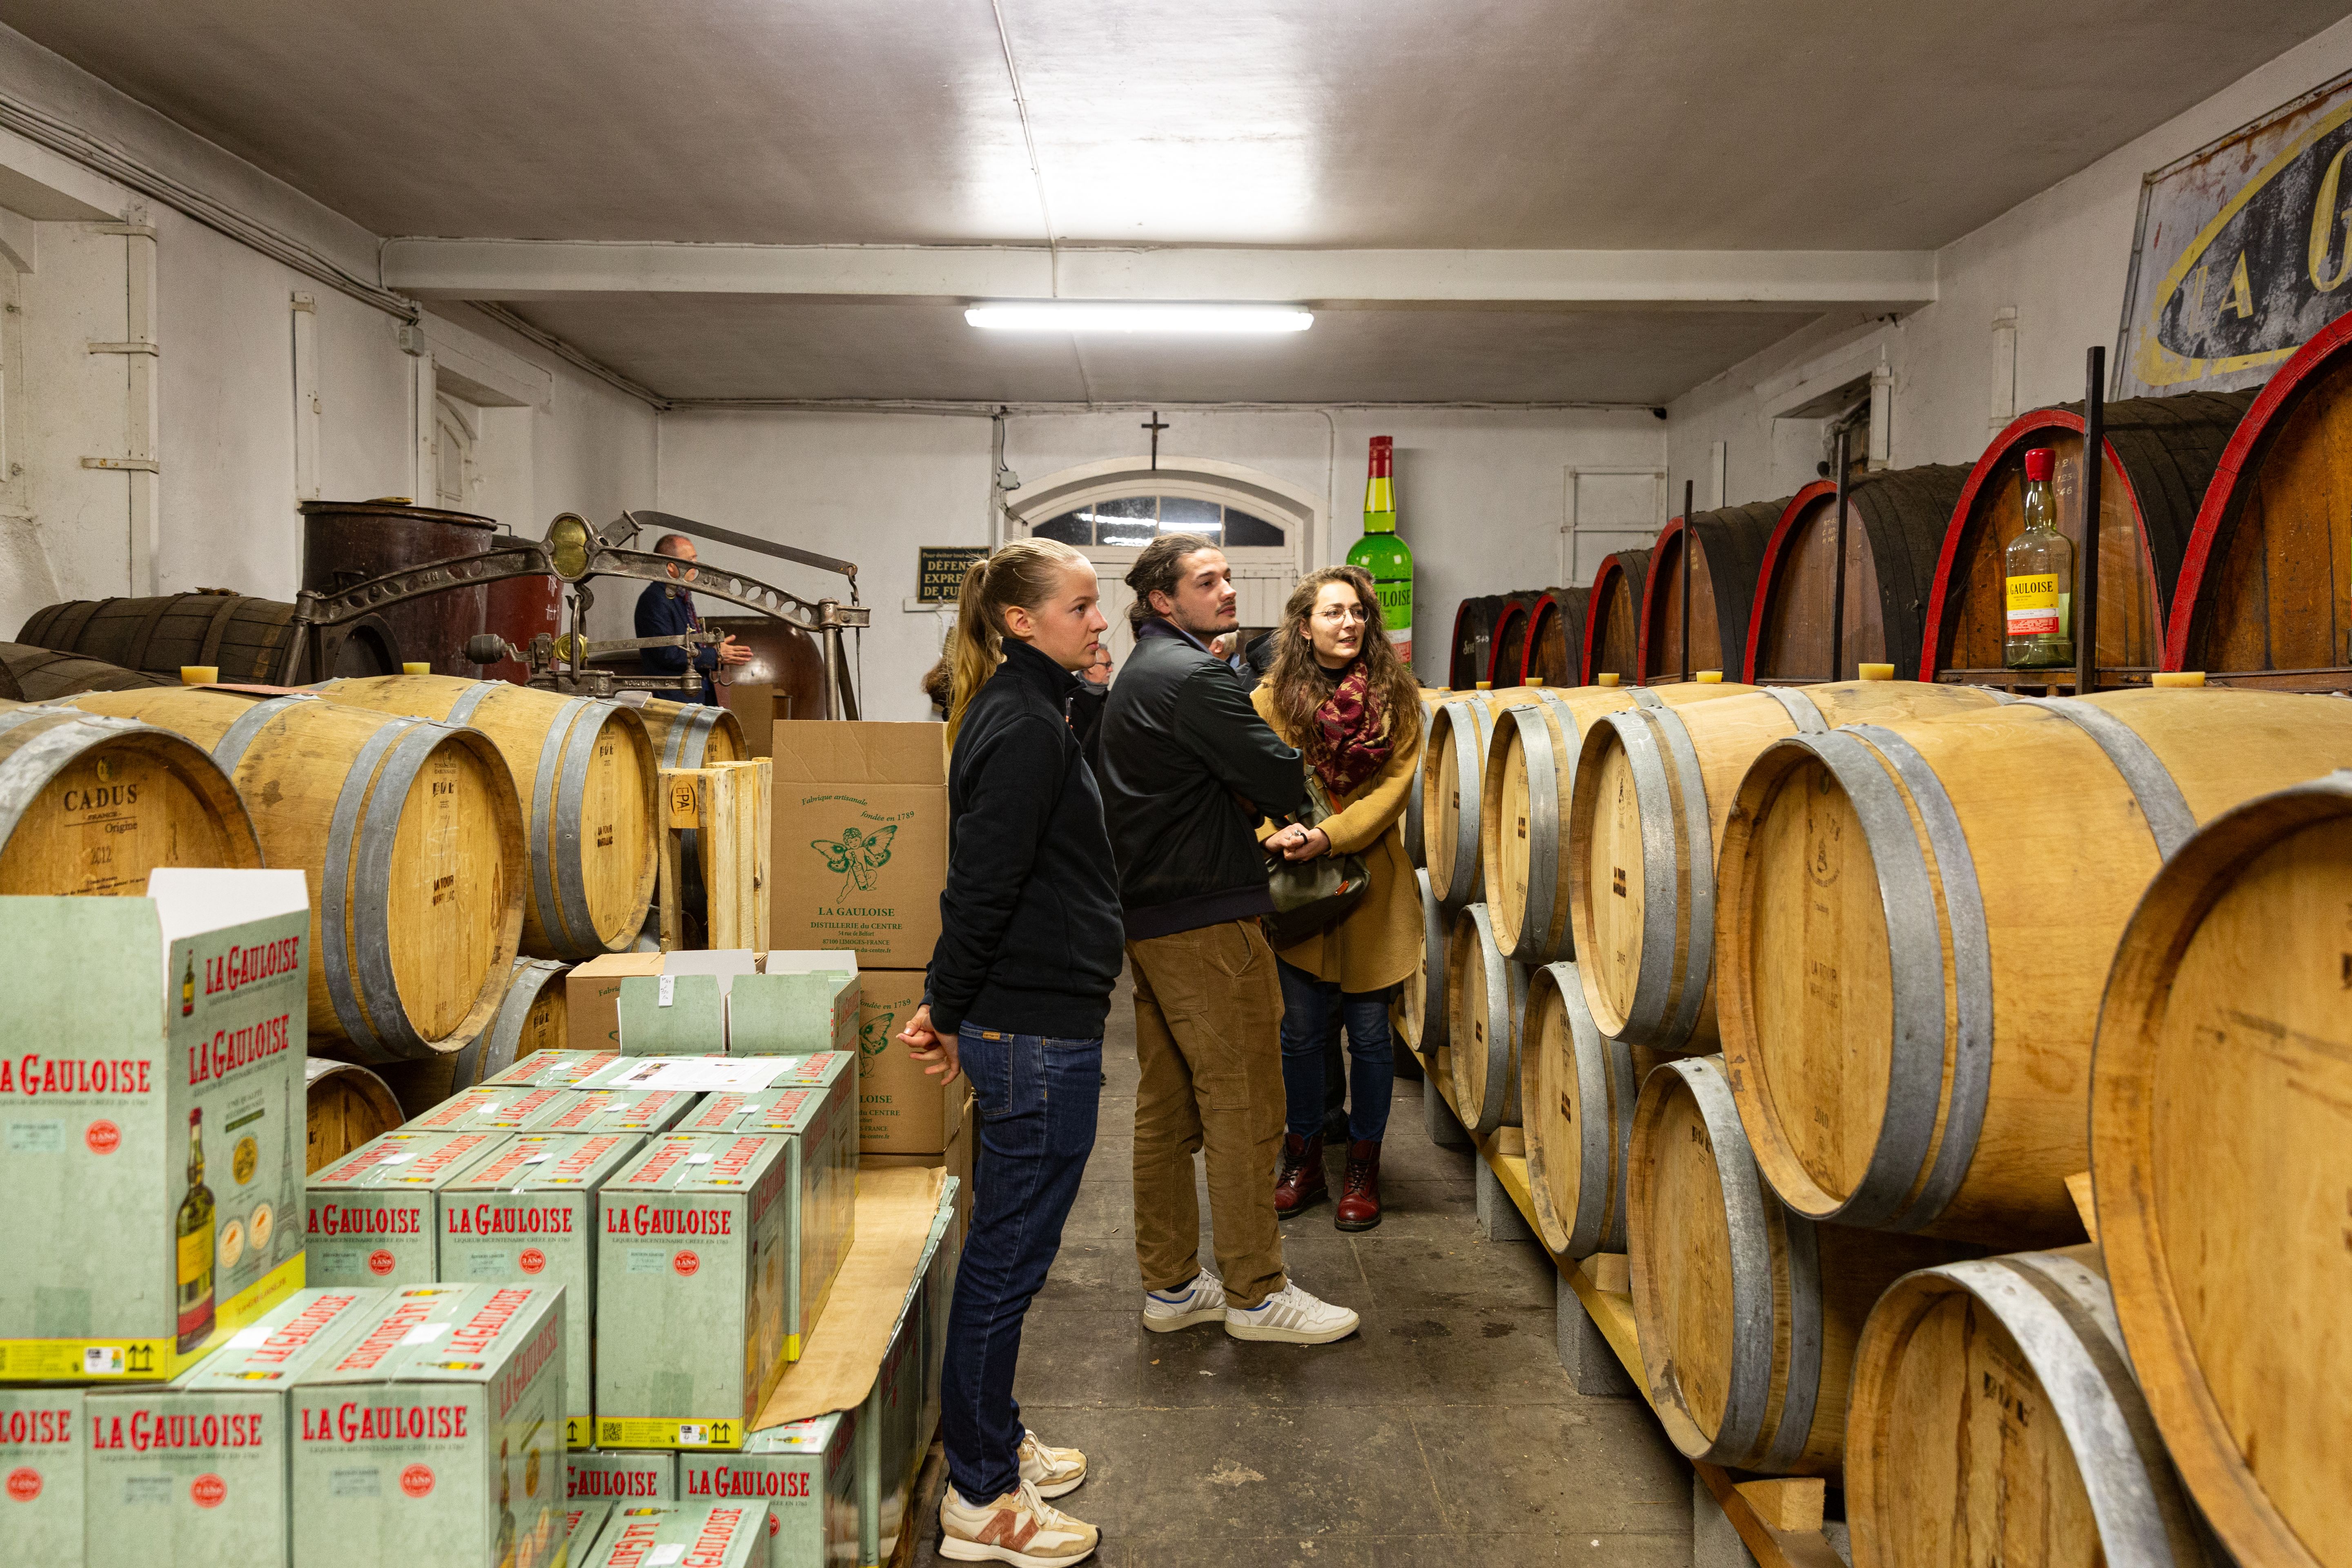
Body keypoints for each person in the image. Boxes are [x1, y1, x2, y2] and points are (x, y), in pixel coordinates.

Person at [896, 537, 1122, 1566]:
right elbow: (979, 887)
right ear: (1020, 621)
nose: (1099, 620)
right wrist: (945, 1003)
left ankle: (991, 1440)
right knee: (1004, 1266)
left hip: (1028, 1017)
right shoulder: (1023, 722)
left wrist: (950, 1003)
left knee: (1005, 1256)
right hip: (1031, 1028)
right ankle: (981, 1499)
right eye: (1081, 606)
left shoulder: (1032, 707)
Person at [1093, 534, 1361, 1346]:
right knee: (1247, 1103)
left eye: (1229, 576)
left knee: (1167, 1107)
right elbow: (1280, 774)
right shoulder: (1195, 675)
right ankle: (1257, 1290)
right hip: (1208, 918)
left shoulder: (1143, 670)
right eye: (1207, 581)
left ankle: (1173, 1284)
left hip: (1154, 917)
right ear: (1165, 602)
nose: (1228, 590)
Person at [1253, 566, 1424, 1231]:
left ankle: (1363, 1166)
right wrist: (1276, 834)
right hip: (1299, 887)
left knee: (1372, 1038)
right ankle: (1302, 1159)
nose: (1348, 623)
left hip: (1372, 885)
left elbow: (1395, 789)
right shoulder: (1271, 698)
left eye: (1357, 612)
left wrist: (1329, 834)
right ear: (1304, 626)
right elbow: (1247, 777)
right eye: (1332, 613)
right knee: (1299, 1035)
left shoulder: (1398, 695)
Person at [635, 534, 751, 702]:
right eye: (690, 561)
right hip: (674, 700)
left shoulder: (679, 596)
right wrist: (714, 655)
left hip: (691, 696)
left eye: (695, 559)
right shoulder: (654, 599)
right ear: (671, 568)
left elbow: (683, 646)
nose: (695, 567)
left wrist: (713, 649)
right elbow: (666, 653)